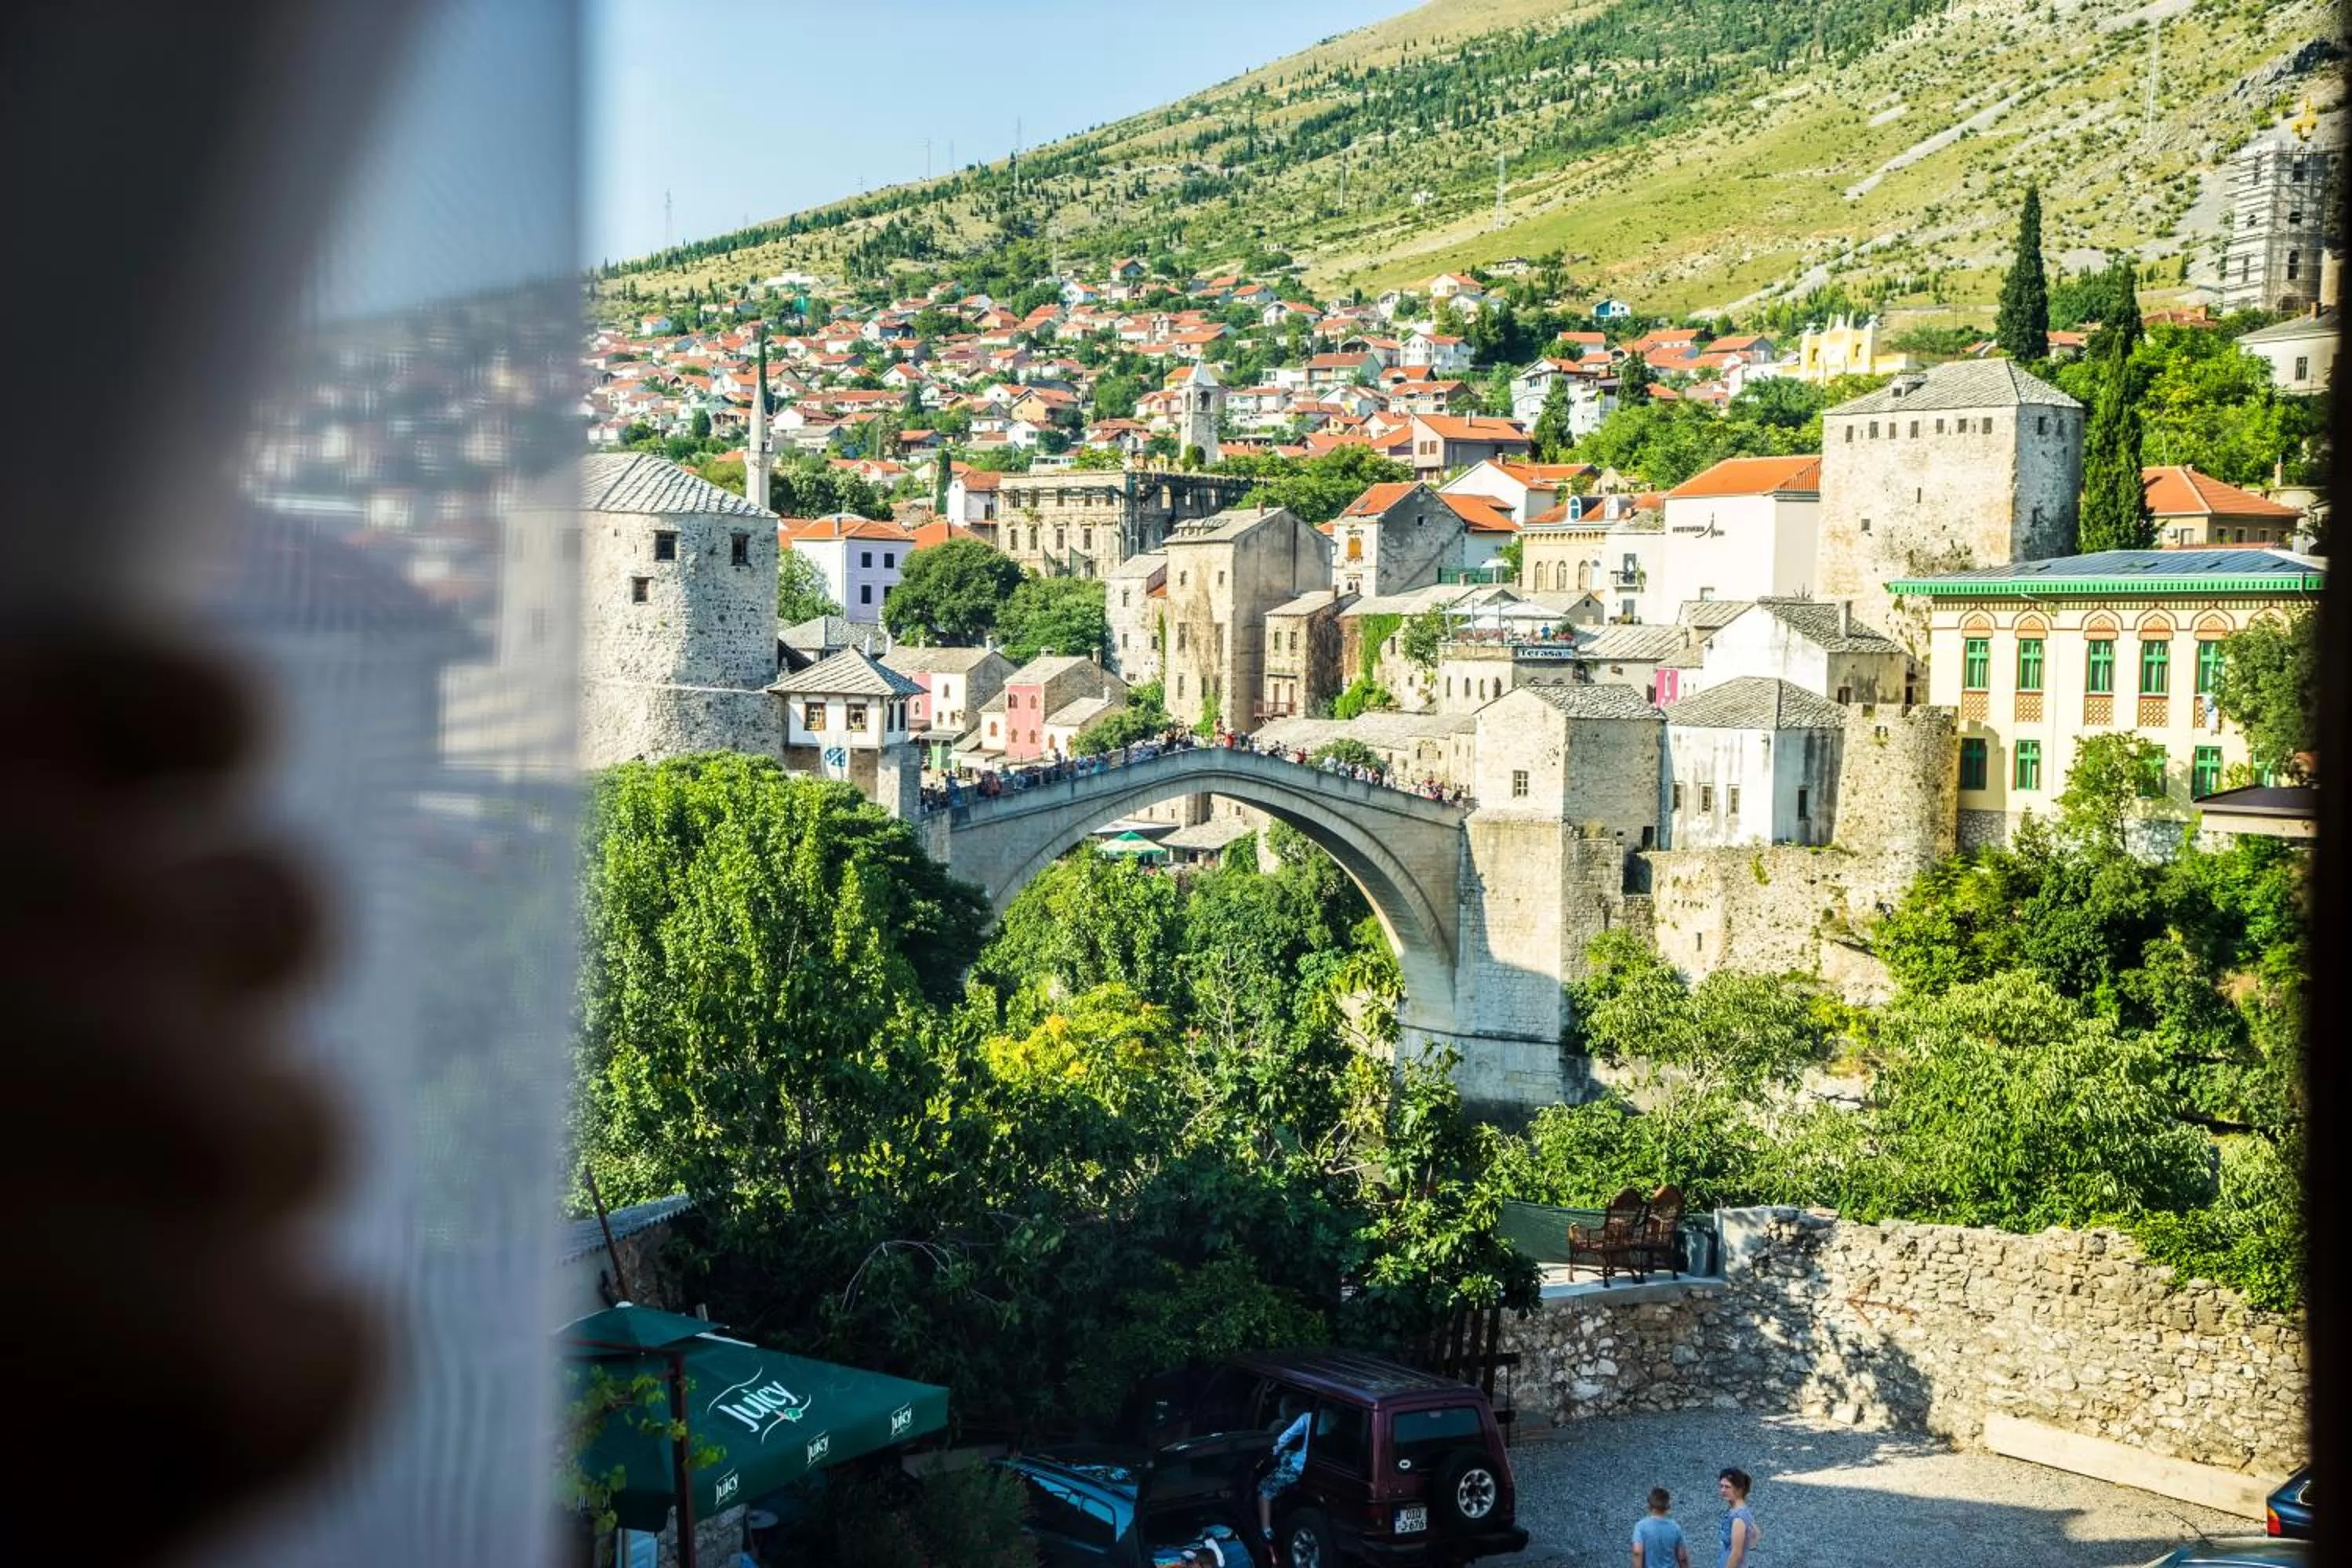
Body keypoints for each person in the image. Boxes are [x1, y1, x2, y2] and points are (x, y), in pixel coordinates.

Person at [1257, 1397, 1312, 1541]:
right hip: (1314, 1467)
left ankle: (1266, 1532)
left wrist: (1269, 1453)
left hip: (1299, 1468)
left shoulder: (1307, 1418)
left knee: (1264, 1488)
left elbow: (1285, 1438)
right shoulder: (1337, 1419)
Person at [1632, 1486, 1690, 1568]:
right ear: (1668, 1506)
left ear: (1649, 1506)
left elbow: (1637, 1552)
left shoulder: (1641, 1527)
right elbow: (1682, 1558)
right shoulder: (1675, 1528)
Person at [1717, 1468, 1761, 1568]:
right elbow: (1756, 1532)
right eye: (1721, 1486)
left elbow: (1736, 1554)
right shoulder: (1742, 1511)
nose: (1723, 1490)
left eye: (1727, 1487)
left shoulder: (1738, 1518)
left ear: (1739, 1489)